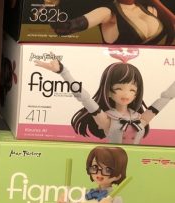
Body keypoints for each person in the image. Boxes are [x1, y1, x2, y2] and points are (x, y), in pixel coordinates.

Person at [35, 55, 175, 144]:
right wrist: (63, 72)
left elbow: (166, 97)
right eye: (119, 88)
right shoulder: (107, 119)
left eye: (132, 90)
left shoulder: (140, 117)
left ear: (136, 94)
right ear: (108, 91)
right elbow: (85, 99)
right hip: (112, 159)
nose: (126, 94)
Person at [58, 146, 128, 203]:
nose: (99, 173)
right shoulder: (85, 193)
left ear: (118, 176)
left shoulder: (115, 199)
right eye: (95, 167)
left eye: (107, 170)